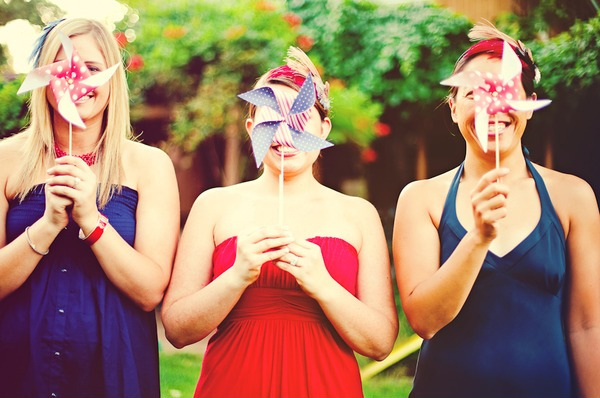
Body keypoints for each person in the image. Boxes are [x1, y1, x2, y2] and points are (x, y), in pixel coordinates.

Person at [161, 47, 398, 397]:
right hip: (233, 383)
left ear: (324, 127)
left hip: (326, 385)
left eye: (299, 119)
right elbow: (177, 332)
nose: (285, 132)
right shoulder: (213, 205)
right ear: (251, 127)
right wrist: (236, 276)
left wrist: (324, 285)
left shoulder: (358, 214)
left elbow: (379, 344)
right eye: (272, 118)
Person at [392, 22, 600, 398]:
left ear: (529, 104)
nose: (493, 104)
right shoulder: (420, 198)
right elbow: (425, 321)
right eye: (475, 92)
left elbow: (587, 325)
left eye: (505, 89)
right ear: (453, 108)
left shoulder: (574, 197)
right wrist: (478, 238)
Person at [0, 18, 180, 398]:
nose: (75, 80)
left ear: (112, 80)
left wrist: (91, 220)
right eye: (60, 68)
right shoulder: (6, 159)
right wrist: (47, 225)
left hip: (114, 367)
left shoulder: (150, 165)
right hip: (18, 364)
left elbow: (150, 291)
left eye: (92, 69)